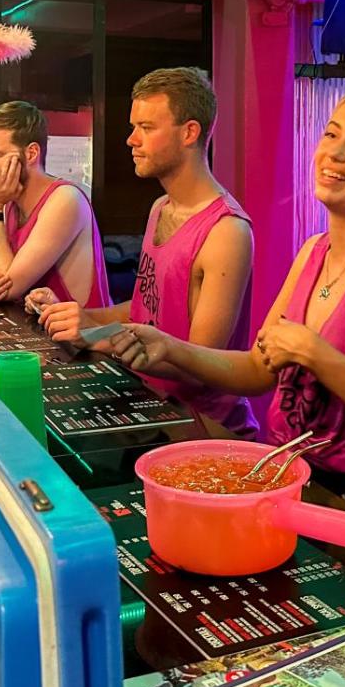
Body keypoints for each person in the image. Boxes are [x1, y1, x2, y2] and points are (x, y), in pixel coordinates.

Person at [101, 83, 345, 501]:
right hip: (288, 481)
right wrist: (168, 347)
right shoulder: (314, 250)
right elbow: (257, 370)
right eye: (332, 135)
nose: (335, 153)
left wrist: (318, 356)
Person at [33, 68, 257, 436]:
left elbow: (199, 364)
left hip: (204, 430)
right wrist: (78, 317)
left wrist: (95, 336)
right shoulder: (160, 208)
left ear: (189, 132)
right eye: (134, 126)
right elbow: (144, 311)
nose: (131, 139)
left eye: (146, 128)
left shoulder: (226, 231)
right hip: (153, 406)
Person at [0, 100, 111, 307]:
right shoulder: (8, 203)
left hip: (81, 328)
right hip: (32, 325)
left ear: (31, 154)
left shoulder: (65, 199)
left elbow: (8, 289)